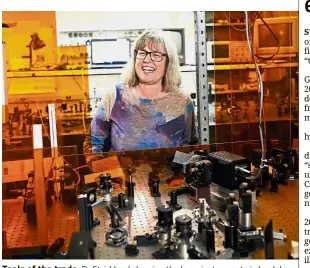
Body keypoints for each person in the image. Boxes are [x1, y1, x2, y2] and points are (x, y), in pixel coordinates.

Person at [83, 29, 198, 165]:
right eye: (142, 53)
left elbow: (189, 146)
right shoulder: (115, 96)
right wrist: (105, 174)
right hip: (124, 184)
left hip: (170, 185)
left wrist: (175, 176)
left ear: (169, 62)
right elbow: (92, 143)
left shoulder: (183, 101)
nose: (146, 60)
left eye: (156, 55)